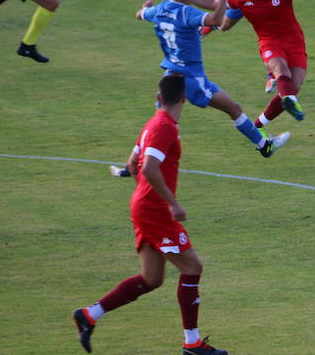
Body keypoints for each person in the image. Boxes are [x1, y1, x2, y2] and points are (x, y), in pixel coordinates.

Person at [72, 74, 229, 355]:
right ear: (183, 99)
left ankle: (89, 315)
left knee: (152, 279)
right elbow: (147, 168)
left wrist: (147, 197)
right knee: (192, 268)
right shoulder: (165, 127)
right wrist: (171, 203)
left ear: (159, 98)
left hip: (144, 207)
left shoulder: (152, 125)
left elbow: (132, 164)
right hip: (155, 211)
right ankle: (192, 343)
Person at [137, 0, 290, 159]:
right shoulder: (187, 13)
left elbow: (140, 14)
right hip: (192, 78)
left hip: (170, 75)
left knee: (160, 120)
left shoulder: (158, 10)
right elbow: (216, 19)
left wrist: (145, 7)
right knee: (233, 109)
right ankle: (264, 146)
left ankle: (138, 158)